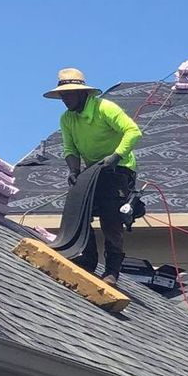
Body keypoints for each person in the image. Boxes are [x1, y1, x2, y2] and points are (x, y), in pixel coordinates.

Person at [45, 68, 142, 283]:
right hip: (93, 171)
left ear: (83, 93)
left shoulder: (104, 108)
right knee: (78, 211)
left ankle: (112, 270)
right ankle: (88, 259)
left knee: (111, 216)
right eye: (62, 95)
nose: (65, 99)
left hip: (119, 168)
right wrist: (73, 170)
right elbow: (69, 149)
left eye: (69, 94)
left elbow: (133, 131)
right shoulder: (67, 119)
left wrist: (116, 156)